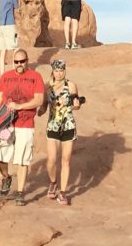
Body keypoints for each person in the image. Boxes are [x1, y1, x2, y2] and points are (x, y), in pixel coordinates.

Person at [0, 50, 46, 205]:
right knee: (0, 156)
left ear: (27, 61)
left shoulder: (36, 77)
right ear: (13, 62)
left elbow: (39, 100)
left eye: (22, 61)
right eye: (16, 62)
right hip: (6, 122)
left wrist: (20, 106)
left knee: (22, 159)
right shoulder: (6, 77)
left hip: (25, 124)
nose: (19, 65)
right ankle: (6, 178)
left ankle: (19, 192)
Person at [43, 58, 85, 206]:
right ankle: (53, 182)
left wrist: (76, 104)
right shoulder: (47, 87)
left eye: (61, 70)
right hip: (53, 126)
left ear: (64, 71)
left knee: (66, 159)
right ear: (52, 71)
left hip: (68, 126)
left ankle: (62, 192)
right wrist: (38, 109)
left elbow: (75, 102)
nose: (59, 73)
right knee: (51, 160)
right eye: (56, 70)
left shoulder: (71, 85)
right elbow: (42, 107)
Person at [0, 0, 20, 71]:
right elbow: (18, 7)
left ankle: (2, 73)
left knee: (3, 50)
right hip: (10, 25)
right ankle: (16, 71)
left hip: (1, 26)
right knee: (16, 48)